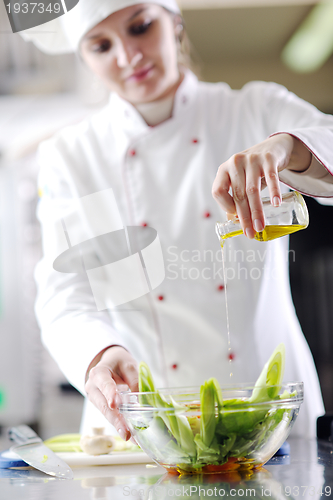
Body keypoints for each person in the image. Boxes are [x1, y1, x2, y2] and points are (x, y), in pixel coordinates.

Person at [22, 0, 333, 440]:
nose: (128, 56)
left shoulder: (254, 109)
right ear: (85, 59)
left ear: (176, 25)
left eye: (141, 27)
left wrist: (290, 147)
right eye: (101, 45)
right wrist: (98, 354)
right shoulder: (72, 156)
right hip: (147, 424)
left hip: (271, 417)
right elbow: (64, 295)